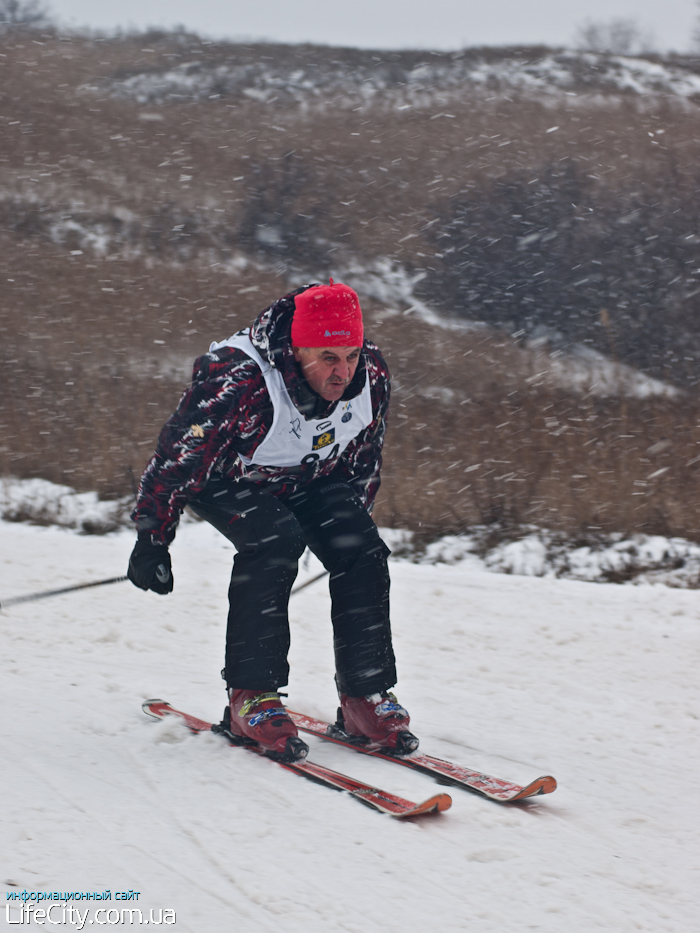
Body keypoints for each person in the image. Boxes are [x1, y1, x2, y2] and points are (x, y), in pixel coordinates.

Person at [127, 280, 418, 762]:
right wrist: (152, 538)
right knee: (274, 541)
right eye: (328, 357)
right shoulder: (238, 376)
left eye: (351, 354)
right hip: (226, 477)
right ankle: (252, 697)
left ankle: (365, 697)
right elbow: (178, 457)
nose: (343, 371)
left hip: (307, 476)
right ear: (297, 348)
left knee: (362, 550)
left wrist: (347, 532)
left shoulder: (373, 375)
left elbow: (363, 456)